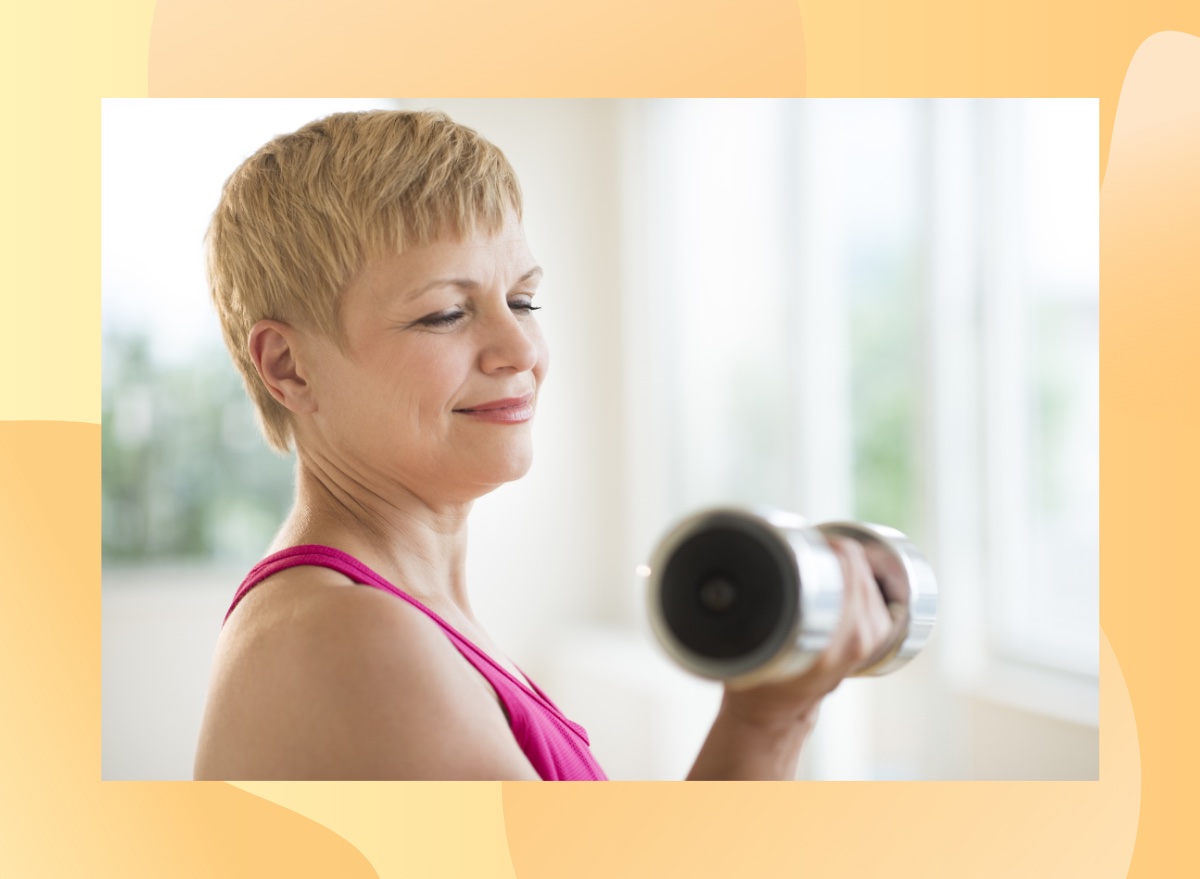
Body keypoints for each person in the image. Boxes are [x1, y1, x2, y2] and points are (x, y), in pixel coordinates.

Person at [193, 109, 896, 781]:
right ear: (288, 366)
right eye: (445, 313)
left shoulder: (404, 613)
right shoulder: (344, 637)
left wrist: (772, 707)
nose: (520, 347)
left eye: (524, 300)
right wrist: (769, 719)